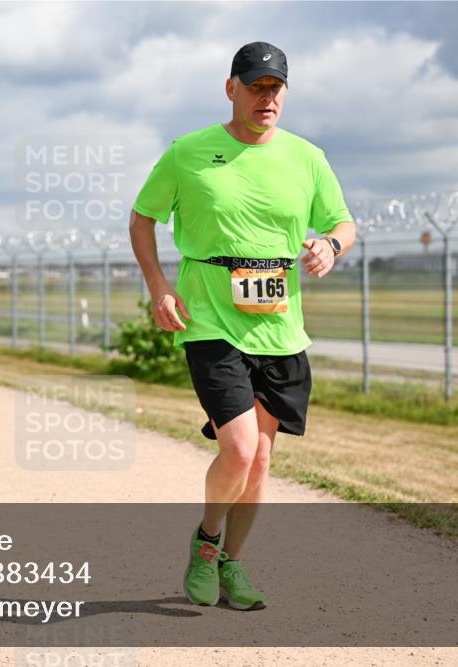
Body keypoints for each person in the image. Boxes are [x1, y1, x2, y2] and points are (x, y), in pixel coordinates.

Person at [130, 42, 356, 611]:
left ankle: (234, 563)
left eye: (276, 88)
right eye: (256, 87)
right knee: (239, 448)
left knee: (261, 458)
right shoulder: (188, 152)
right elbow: (142, 218)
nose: (267, 97)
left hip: (280, 327)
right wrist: (159, 285)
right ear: (230, 88)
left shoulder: (307, 157)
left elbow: (343, 223)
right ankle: (207, 544)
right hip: (209, 319)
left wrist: (330, 245)